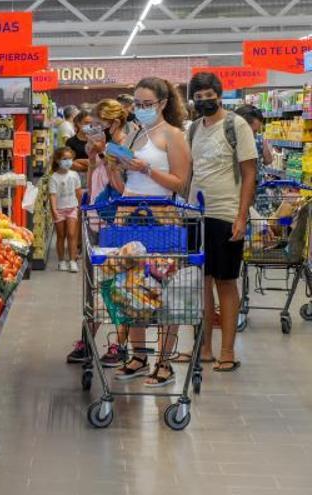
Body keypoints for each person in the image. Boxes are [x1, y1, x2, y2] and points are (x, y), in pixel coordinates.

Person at [104, 77, 192, 386]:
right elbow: (121, 185)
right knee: (129, 287)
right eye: (136, 105)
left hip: (161, 217)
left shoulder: (174, 136)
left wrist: (147, 169)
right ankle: (139, 356)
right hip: (129, 216)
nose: (139, 110)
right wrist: (112, 163)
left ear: (163, 104)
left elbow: (180, 182)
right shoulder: (132, 134)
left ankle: (164, 362)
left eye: (146, 105)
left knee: (163, 288)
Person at [187, 72, 258, 373]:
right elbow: (191, 171)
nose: (205, 100)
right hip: (194, 214)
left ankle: (227, 351)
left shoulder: (236, 125)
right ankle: (204, 347)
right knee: (200, 282)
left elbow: (250, 173)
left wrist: (241, 216)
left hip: (225, 213)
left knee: (225, 281)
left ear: (219, 94)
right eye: (199, 96)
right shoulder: (193, 128)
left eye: (209, 94)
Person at [66, 99, 130, 365]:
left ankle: (120, 343)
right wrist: (93, 160)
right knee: (93, 284)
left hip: (118, 222)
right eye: (92, 125)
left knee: (120, 285)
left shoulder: (127, 145)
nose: (94, 130)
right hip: (95, 219)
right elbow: (94, 181)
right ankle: (89, 338)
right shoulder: (99, 146)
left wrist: (107, 154)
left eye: (98, 125)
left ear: (113, 123)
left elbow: (123, 187)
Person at [50, 147, 82, 272]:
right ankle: (61, 261)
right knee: (61, 236)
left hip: (72, 208)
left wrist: (80, 207)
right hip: (59, 210)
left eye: (70, 159)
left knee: (72, 234)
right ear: (58, 160)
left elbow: (78, 192)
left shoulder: (74, 175)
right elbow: (52, 195)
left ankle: (73, 261)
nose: (68, 162)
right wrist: (54, 211)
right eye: (65, 159)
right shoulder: (54, 178)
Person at [235, 104, 274, 182]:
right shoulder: (229, 143)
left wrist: (264, 143)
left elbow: (268, 160)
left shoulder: (259, 139)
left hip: (257, 186)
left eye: (256, 131)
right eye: (252, 131)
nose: (254, 135)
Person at [65, 110, 92, 182]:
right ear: (79, 123)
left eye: (91, 123)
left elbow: (100, 163)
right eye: (86, 123)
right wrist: (89, 164)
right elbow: (69, 163)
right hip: (75, 179)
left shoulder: (95, 141)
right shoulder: (70, 142)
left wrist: (78, 161)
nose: (89, 126)